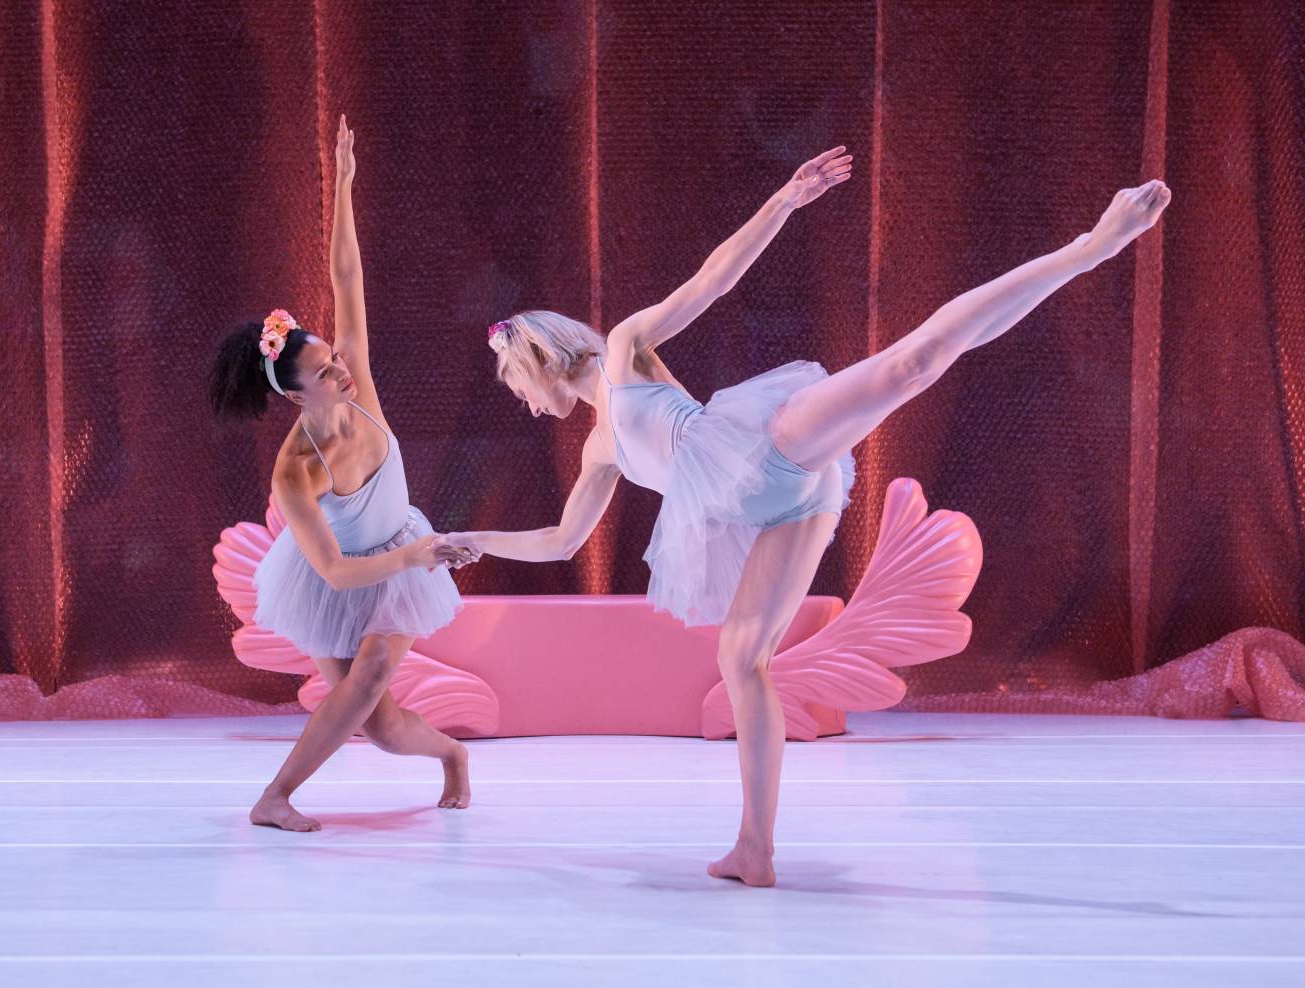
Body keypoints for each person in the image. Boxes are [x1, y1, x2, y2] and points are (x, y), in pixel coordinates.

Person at [439, 143, 1170, 884]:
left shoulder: (626, 349)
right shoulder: (600, 449)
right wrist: (471, 538)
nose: (522, 401)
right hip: (781, 512)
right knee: (740, 661)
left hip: (767, 447)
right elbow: (564, 542)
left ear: (535, 357)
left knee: (909, 365)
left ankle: (1088, 248)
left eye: (515, 382)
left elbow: (711, 282)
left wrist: (783, 202)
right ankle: (755, 848)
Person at [209, 115, 478, 831]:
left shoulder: (358, 382)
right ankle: (451, 753)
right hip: (340, 575)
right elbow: (332, 573)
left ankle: (274, 799)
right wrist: (419, 554)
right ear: (298, 396)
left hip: (397, 560)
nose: (343, 367)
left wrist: (345, 186)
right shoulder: (296, 471)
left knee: (366, 684)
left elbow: (346, 275)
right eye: (327, 370)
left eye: (335, 353)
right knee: (381, 728)